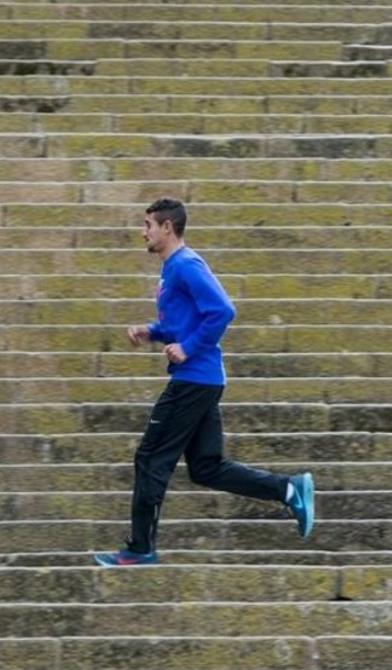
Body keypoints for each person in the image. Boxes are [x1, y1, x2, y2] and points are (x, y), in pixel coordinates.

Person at [93, 198, 315, 567]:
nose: (143, 231)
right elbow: (183, 324)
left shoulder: (185, 265)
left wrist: (189, 347)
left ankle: (140, 548)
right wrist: (152, 332)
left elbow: (223, 310)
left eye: (148, 224)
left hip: (194, 380)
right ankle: (290, 489)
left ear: (167, 228)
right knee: (206, 466)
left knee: (150, 457)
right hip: (202, 379)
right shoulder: (171, 269)